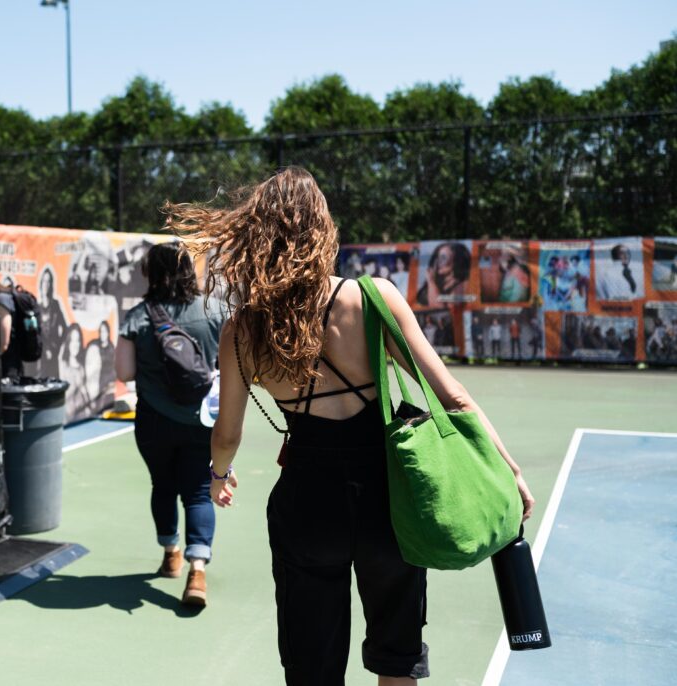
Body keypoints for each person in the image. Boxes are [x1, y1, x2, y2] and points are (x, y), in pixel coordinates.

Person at [165, 167, 534, 685]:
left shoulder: (242, 328)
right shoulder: (374, 298)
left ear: (257, 234)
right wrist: (509, 470)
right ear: (323, 228)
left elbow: (226, 432)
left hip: (307, 508)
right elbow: (455, 398)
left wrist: (219, 476)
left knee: (312, 667)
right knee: (396, 658)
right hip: (391, 504)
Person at [115, 242, 225, 606]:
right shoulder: (214, 310)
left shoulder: (138, 316)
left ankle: (171, 554)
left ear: (152, 273)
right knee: (197, 491)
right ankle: (198, 571)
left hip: (154, 421)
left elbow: (124, 371)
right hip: (202, 420)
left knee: (162, 486)